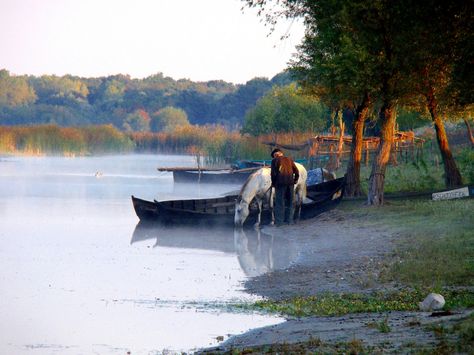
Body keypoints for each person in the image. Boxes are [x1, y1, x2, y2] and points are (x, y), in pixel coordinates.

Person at [270, 148, 299, 226]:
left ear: (276, 154)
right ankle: (290, 221)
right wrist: (295, 180)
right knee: (290, 202)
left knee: (280, 203)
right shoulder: (289, 159)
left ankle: (279, 222)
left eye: (274, 156)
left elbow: (273, 174)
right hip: (290, 184)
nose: (274, 157)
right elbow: (296, 171)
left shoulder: (274, 161)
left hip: (280, 185)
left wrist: (273, 183)